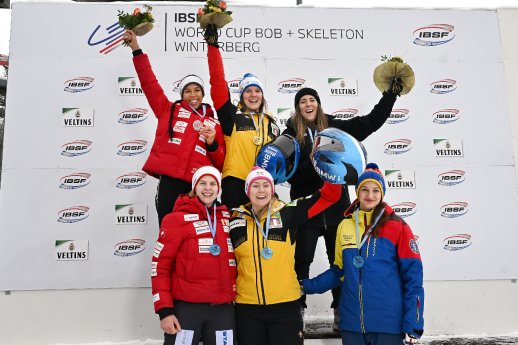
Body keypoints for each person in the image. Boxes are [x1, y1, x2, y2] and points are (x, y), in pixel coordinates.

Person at [282, 86, 399, 328]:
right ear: (297, 108)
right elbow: (291, 176)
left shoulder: (334, 128)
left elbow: (369, 124)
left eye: (311, 99)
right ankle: (297, 310)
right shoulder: (290, 136)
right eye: (302, 101)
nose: (307, 104)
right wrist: (316, 159)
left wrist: (390, 95)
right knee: (301, 261)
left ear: (318, 103)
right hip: (307, 211)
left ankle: (340, 311)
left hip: (338, 210)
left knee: (341, 263)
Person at [301, 163, 424, 345]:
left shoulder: (397, 226)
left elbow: (412, 278)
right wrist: (306, 286)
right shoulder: (345, 225)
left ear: (382, 193)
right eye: (364, 189)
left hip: (388, 324)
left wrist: (413, 321)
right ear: (357, 192)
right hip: (352, 324)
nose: (370, 195)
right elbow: (339, 272)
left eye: (375, 190)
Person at [229, 166, 342, 345]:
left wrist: (331, 167)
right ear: (247, 190)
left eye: (265, 185)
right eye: (255, 186)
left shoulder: (289, 212)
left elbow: (330, 196)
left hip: (286, 307)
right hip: (247, 309)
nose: (261, 190)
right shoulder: (234, 220)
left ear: (272, 190)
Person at [124, 30, 226, 225]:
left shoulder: (214, 123)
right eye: (188, 91)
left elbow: (221, 163)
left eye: (197, 90)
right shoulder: (168, 110)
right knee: (168, 233)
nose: (193, 95)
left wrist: (212, 144)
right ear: (182, 94)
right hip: (170, 184)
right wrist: (136, 50)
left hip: (200, 186)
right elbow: (149, 83)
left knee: (196, 238)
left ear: (203, 94)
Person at [151, 166, 237, 345]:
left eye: (213, 183)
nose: (208, 188)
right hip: (187, 308)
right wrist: (165, 311)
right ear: (195, 187)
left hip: (222, 308)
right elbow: (160, 267)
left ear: (219, 189)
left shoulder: (228, 217)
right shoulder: (175, 219)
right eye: (203, 183)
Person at [205, 28, 280, 210]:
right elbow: (218, 84)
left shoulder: (271, 123)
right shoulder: (232, 115)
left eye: (257, 91)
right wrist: (213, 46)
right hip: (236, 183)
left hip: (263, 186)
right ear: (241, 95)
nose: (253, 95)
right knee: (236, 237)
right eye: (248, 91)